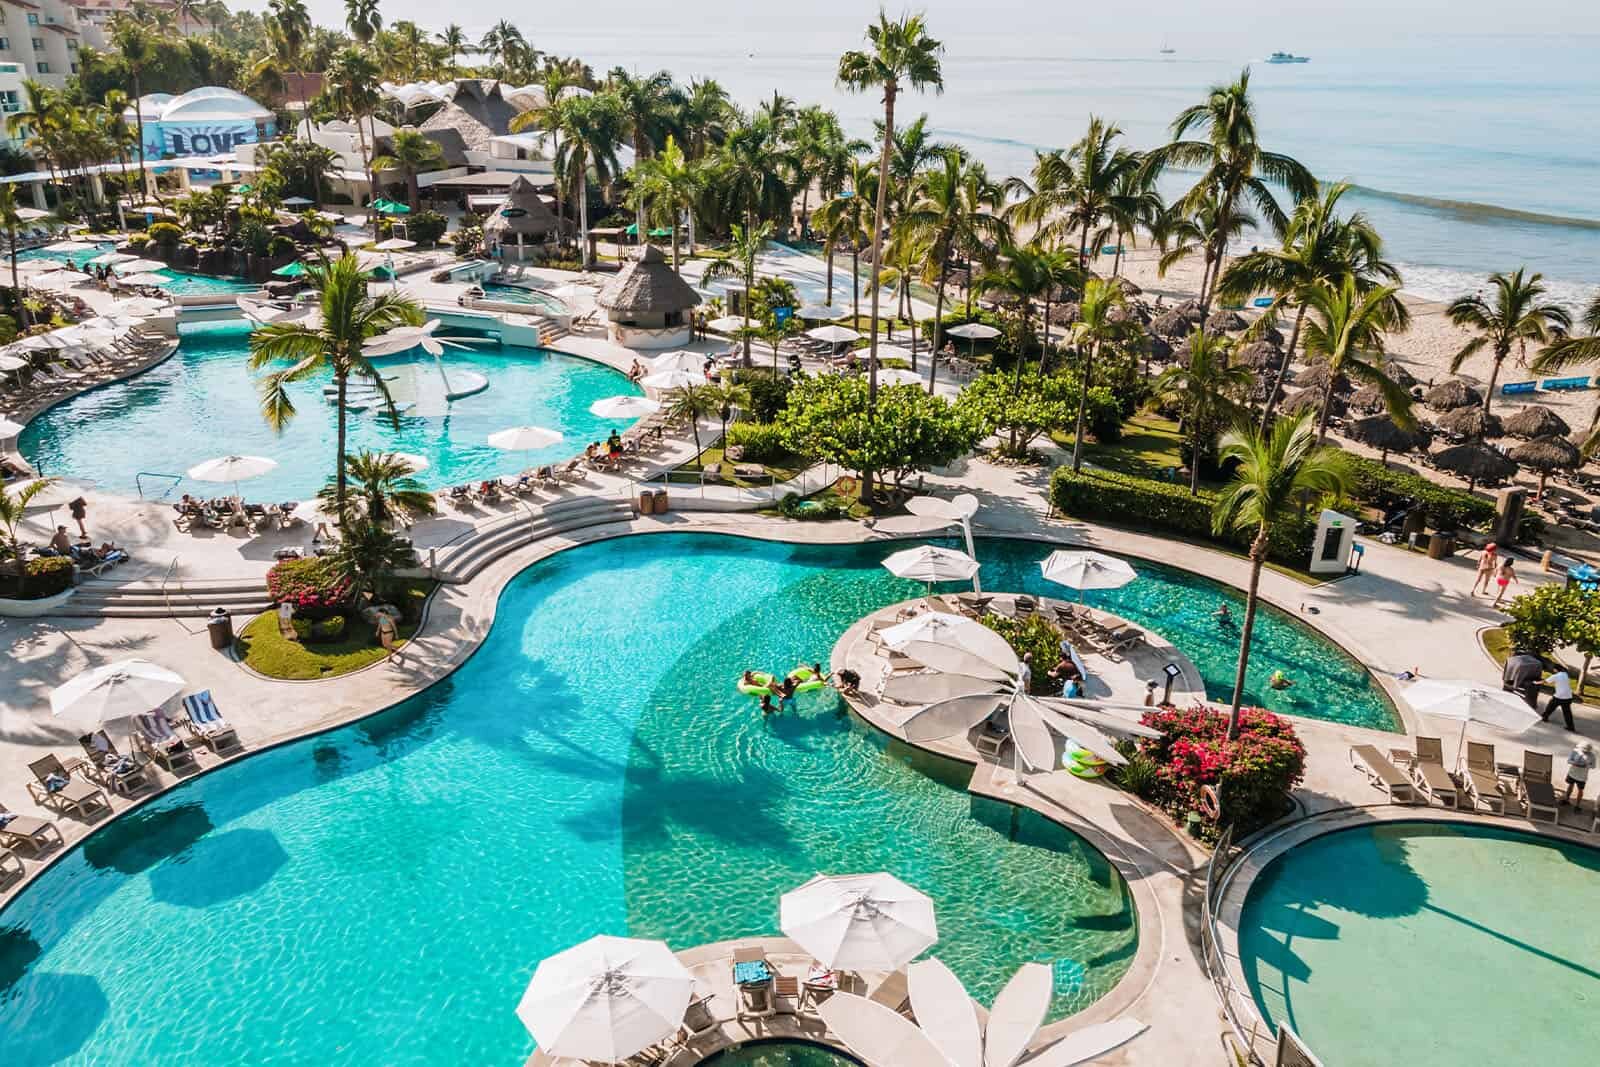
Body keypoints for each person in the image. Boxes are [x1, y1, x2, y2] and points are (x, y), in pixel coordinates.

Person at [1562, 741, 1595, 806]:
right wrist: (1575, 763)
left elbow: (1593, 766)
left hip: (1582, 777)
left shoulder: (1592, 756)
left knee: (1580, 790)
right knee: (1570, 786)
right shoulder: (1575, 751)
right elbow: (1569, 760)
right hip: (1572, 773)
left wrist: (1586, 765)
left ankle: (1577, 805)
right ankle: (1567, 799)